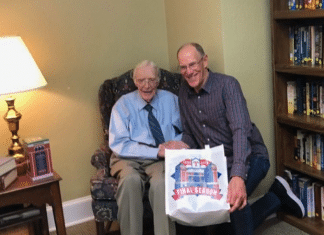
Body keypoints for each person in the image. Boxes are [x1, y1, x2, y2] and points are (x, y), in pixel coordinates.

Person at [174, 43, 305, 234]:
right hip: (216, 165)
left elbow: (240, 131)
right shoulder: (183, 93)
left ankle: (272, 197)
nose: (188, 72)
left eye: (193, 64)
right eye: (183, 67)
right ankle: (276, 197)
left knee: (234, 201)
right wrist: (180, 151)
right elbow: (190, 133)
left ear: (205, 61)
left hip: (251, 156)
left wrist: (237, 176)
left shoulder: (227, 85)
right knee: (218, 228)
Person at [108, 60, 184, 235]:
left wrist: (175, 143)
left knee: (162, 184)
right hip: (127, 158)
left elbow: (185, 131)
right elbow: (120, 144)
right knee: (130, 182)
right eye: (141, 80)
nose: (147, 85)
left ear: (158, 80)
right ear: (135, 82)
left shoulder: (171, 100)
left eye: (151, 80)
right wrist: (156, 150)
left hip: (159, 159)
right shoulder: (123, 105)